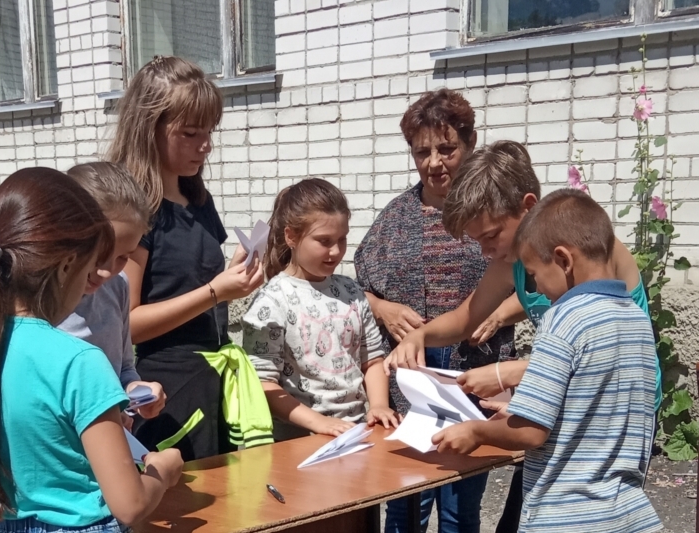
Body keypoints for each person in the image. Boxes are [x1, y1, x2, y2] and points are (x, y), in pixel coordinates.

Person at [384, 140, 660, 532]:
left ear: (528, 208)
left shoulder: (591, 264)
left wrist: (507, 376)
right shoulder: (516, 259)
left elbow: (596, 350)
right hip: (575, 421)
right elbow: (467, 316)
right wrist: (420, 337)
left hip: (608, 405)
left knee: (556, 498)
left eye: (491, 236)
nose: (486, 251)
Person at [0, 168, 183, 533]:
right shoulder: (80, 362)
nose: (101, 275)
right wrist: (162, 472)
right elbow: (129, 505)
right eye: (95, 261)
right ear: (69, 263)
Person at [355, 89, 517, 533]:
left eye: (446, 149)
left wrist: (502, 313)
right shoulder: (395, 217)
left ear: (469, 143)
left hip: (475, 368)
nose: (434, 162)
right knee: (406, 496)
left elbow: (533, 286)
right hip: (415, 369)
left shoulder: (493, 213)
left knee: (460, 503)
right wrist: (383, 308)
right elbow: (354, 288)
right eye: (421, 151)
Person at [108, 56, 263, 460]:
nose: (206, 145)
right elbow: (129, 323)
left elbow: (199, 288)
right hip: (164, 388)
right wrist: (214, 292)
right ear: (149, 129)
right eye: (191, 132)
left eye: (210, 131)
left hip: (214, 376)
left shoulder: (198, 199)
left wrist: (236, 275)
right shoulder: (136, 212)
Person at [242, 179, 399, 441]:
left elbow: (372, 359)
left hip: (356, 433)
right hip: (298, 440)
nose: (336, 251)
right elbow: (262, 384)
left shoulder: (352, 292)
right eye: (324, 241)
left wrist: (380, 405)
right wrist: (318, 422)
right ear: (291, 236)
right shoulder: (271, 302)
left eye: (342, 239)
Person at [59, 162, 166, 428]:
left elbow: (123, 369)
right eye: (100, 252)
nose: (106, 271)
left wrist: (138, 390)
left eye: (122, 257)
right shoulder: (38, 303)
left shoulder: (118, 286)